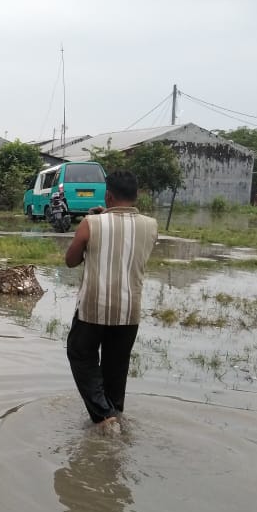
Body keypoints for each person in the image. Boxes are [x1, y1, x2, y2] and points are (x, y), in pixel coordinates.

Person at [64, 171, 158, 434]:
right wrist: (105, 215)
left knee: (80, 354)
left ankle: (104, 417)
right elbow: (127, 235)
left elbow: (71, 260)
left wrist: (96, 218)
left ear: (108, 195)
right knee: (116, 366)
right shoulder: (151, 225)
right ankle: (115, 412)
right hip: (129, 311)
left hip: (94, 307)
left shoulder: (91, 223)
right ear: (136, 195)